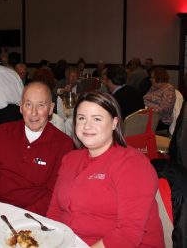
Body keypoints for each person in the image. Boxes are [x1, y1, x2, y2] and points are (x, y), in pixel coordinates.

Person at [47, 91, 164, 247]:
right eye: (81, 118)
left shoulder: (132, 164)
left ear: (115, 123)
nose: (87, 126)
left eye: (97, 119)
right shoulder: (70, 159)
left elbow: (127, 235)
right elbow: (55, 211)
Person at [0, 82, 73, 215]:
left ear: (51, 108)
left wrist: (23, 216)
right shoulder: (2, 132)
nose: (34, 113)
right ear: (20, 107)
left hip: (31, 216)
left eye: (41, 105)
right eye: (28, 104)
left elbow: (54, 193)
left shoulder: (63, 145)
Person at [144, 67, 176, 131]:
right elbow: (145, 98)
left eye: (152, 77)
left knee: (136, 125)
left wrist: (148, 110)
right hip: (150, 116)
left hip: (161, 119)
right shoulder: (154, 87)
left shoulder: (168, 89)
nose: (150, 79)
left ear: (159, 78)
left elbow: (165, 109)